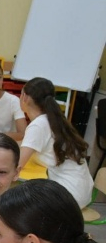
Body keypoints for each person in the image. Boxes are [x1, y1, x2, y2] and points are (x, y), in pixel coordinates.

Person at [19, 77, 93, 208]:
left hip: (68, 195)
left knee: (16, 197)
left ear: (25, 97)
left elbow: (18, 165)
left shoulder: (38, 125)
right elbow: (29, 145)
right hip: (82, 192)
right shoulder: (54, 120)